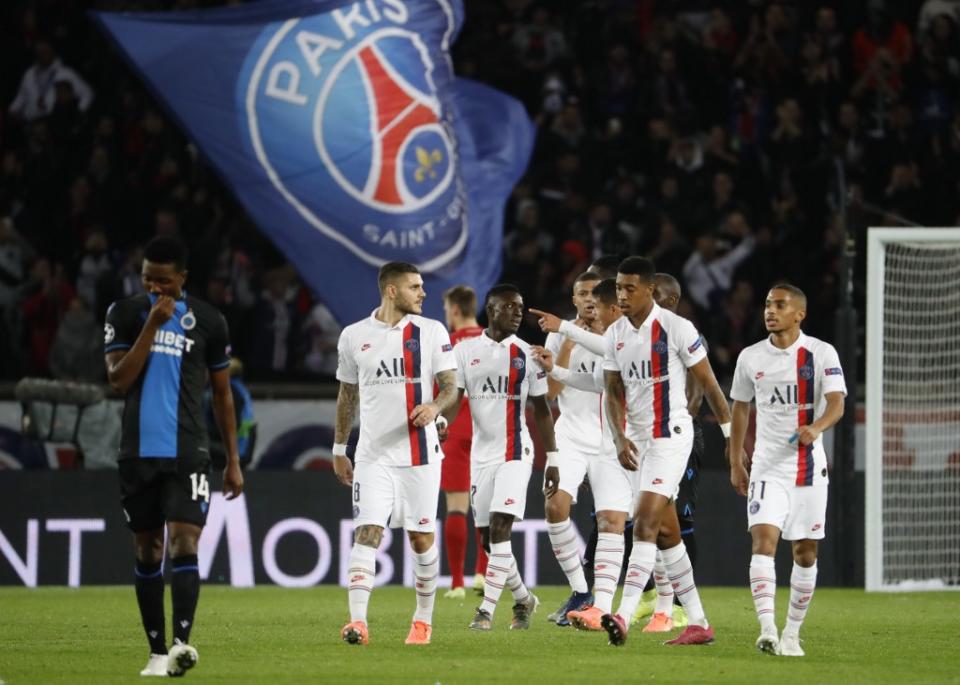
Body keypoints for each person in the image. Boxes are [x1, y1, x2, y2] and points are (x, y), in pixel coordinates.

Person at [103, 236, 244, 677]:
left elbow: (222, 396)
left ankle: (182, 645)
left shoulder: (208, 320)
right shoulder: (124, 313)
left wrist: (233, 461)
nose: (155, 288)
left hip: (189, 451)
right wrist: (151, 325)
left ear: (182, 277)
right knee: (148, 548)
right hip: (137, 451)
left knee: (185, 541)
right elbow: (118, 380)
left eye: (163, 281)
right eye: (147, 279)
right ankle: (156, 651)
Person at [600, 256, 733, 647]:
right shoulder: (614, 335)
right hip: (637, 442)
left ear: (650, 290)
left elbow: (708, 383)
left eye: (628, 288)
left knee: (643, 522)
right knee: (667, 534)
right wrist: (620, 438)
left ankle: (621, 616)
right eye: (619, 287)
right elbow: (612, 391)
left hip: (672, 437)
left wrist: (730, 437)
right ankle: (699, 622)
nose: (621, 295)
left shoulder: (676, 328)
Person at [332, 262, 459, 647]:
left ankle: (422, 621)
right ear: (391, 290)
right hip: (373, 457)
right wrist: (340, 448)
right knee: (367, 533)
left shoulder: (432, 331)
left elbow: (451, 386)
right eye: (415, 287)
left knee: (421, 539)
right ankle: (357, 623)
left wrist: (435, 408)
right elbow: (347, 395)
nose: (423, 293)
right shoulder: (354, 336)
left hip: (421, 456)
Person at [728, 284, 846, 657]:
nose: (770, 311)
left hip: (809, 471)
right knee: (763, 542)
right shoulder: (750, 357)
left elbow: (837, 403)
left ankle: (792, 634)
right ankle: (766, 628)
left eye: (780, 305)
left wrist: (817, 427)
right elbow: (740, 408)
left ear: (800, 314)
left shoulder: (821, 353)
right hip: (767, 468)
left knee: (806, 554)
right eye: (767, 304)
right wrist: (735, 459)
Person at [447, 284, 558, 630]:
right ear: (491, 310)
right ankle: (524, 599)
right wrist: (441, 420)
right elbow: (454, 397)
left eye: (520, 307)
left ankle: (486, 612)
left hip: (516, 452)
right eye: (510, 307)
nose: (517, 312)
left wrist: (551, 458)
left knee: (500, 528)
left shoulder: (528, 354)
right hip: (481, 456)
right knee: (487, 538)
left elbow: (542, 410)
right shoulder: (466, 351)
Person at [529, 278, 633, 631]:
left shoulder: (621, 331)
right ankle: (580, 589)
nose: (589, 301)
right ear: (574, 298)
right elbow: (553, 391)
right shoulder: (561, 334)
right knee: (554, 506)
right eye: (583, 294)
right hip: (571, 436)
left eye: (594, 295)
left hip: (611, 439)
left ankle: (602, 606)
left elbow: (614, 370)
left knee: (612, 522)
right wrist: (568, 342)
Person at [631, 273, 706, 632]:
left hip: (676, 438)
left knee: (677, 522)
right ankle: (677, 611)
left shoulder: (682, 332)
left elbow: (696, 392)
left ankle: (673, 606)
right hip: (648, 439)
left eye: (655, 295)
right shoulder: (637, 336)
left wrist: (674, 422)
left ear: (671, 300)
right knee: (661, 523)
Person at [439, 285, 485, 600]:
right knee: (487, 504)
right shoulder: (492, 339)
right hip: (487, 430)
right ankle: (483, 573)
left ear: (454, 309)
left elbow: (441, 392)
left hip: (454, 429)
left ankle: (457, 584)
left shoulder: (446, 346)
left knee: (457, 505)